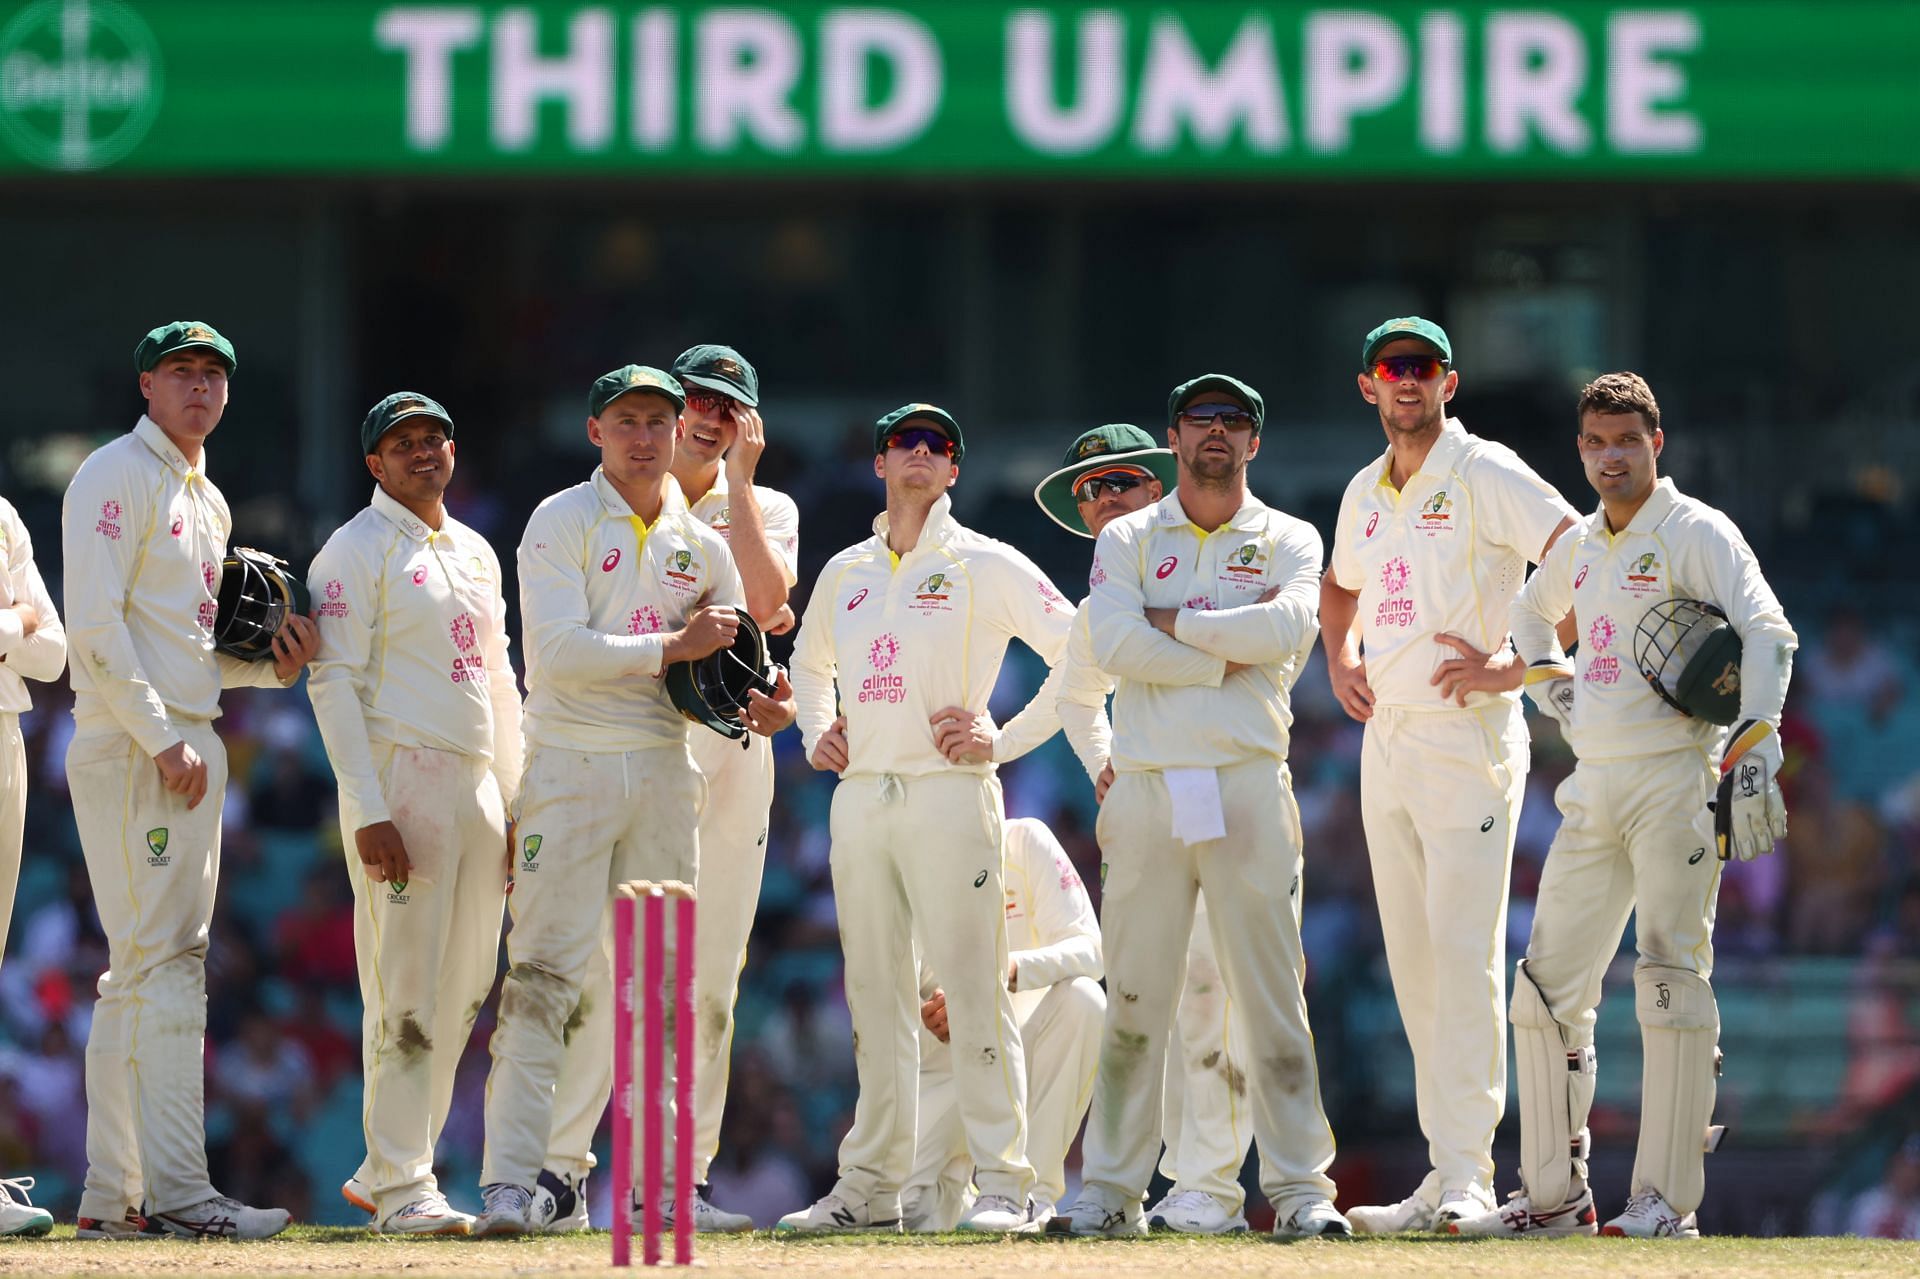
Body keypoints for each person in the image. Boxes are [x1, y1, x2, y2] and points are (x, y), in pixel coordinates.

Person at [1450, 372, 1798, 1239]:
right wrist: (1550, 686)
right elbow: (1532, 616)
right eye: (1597, 444)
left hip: (1677, 780)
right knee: (1543, 989)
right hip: (1594, 783)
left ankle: (1665, 1204)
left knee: (1670, 977)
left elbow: (1768, 629)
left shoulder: (1694, 530)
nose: (1612, 458)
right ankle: (1553, 1196)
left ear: (1656, 443)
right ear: (1580, 449)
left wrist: (1756, 740)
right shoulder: (1582, 546)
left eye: (1627, 442)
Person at [475, 365, 790, 1235]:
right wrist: (671, 646)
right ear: (595, 431)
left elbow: (743, 655)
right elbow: (560, 654)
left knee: (659, 987)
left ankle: (656, 1198)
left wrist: (767, 700)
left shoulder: (701, 540)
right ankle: (511, 1182)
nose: (645, 437)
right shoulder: (560, 519)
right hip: (571, 767)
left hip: (660, 771)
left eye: (658, 420)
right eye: (627, 421)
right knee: (543, 974)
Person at [1061, 375, 1345, 1239]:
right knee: (1137, 996)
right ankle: (1111, 1189)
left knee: (1268, 998)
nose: (1216, 432)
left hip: (1247, 780)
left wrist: (1170, 623)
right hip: (1150, 784)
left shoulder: (1289, 534)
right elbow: (1110, 639)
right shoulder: (1130, 537)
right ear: (1173, 438)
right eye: (1200, 419)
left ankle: (1301, 1192)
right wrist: (1221, 647)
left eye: (1234, 421)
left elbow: (1289, 630)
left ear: (1253, 443)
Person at [785, 403, 1076, 1234]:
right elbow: (808, 663)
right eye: (903, 442)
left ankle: (1003, 1182)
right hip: (862, 797)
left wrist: (1004, 737)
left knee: (976, 991)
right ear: (879, 463)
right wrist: (815, 731)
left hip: (950, 793)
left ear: (952, 470)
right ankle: (872, 1186)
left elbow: (1082, 647)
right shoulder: (846, 569)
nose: (919, 453)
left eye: (937, 445)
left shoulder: (983, 561)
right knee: (876, 997)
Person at [62, 321, 319, 1239]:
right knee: (163, 967)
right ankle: (178, 1193)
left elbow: (188, 651)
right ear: (146, 385)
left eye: (214, 374)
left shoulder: (204, 498)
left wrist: (272, 669)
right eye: (182, 372)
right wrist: (165, 737)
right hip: (141, 749)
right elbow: (94, 629)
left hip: (181, 739)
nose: (200, 387)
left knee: (138, 972)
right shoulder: (113, 475)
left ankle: (115, 1192)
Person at [1320, 317, 1577, 1231]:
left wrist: (1520, 665)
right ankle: (1445, 1169)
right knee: (1416, 963)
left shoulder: (1484, 471)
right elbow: (1339, 583)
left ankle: (1471, 1173)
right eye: (1392, 368)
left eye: (1422, 369)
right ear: (1368, 386)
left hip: (1469, 736)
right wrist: (1339, 657)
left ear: (1448, 382)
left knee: (1465, 955)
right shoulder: (1362, 490)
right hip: (1387, 736)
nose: (1407, 382)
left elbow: (1580, 555)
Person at [1034, 423, 1270, 1234]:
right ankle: (1121, 1185)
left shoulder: (1213, 560)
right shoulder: (1106, 599)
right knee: (1139, 991)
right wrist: (1106, 759)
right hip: (1144, 802)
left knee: (1211, 986)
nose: (1105, 501)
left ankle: (1210, 1183)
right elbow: (1075, 696)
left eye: (1122, 483)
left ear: (1158, 485)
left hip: (1220, 790)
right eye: (1091, 491)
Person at [307, 393, 523, 1235]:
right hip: (403, 776)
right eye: (404, 443)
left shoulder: (471, 548)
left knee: (466, 986)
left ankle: (391, 1165)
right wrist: (366, 807)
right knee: (403, 982)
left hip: (474, 784)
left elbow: (501, 683)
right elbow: (333, 682)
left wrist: (512, 799)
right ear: (375, 464)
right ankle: (404, 1183)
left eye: (435, 437)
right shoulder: (353, 550)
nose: (423, 452)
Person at [905, 816, 1102, 1230]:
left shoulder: (1025, 840)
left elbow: (1091, 952)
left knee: (1085, 999)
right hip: (948, 1071)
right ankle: (965, 1195)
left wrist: (1005, 973)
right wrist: (930, 1016)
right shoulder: (903, 861)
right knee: (909, 1213)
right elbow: (897, 1002)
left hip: (1025, 1059)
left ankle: (1032, 1196)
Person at [0, 493, 67, 1237]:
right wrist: (12, 619)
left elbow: (52, 653)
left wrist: (19, 627)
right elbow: (28, 629)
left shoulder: (2, 515)